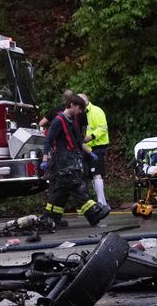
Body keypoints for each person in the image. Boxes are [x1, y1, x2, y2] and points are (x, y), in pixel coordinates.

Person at [39, 94, 110, 229]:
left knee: (61, 190)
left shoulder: (71, 121)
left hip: (71, 159)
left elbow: (78, 141)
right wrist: (44, 158)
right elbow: (48, 140)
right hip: (62, 161)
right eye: (79, 108)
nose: (80, 112)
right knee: (76, 185)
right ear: (72, 105)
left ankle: (52, 217)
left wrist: (90, 153)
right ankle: (93, 213)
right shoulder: (58, 121)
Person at [78, 92, 109, 209]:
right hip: (86, 147)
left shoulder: (97, 111)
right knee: (91, 175)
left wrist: (89, 137)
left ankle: (102, 202)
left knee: (97, 174)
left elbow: (102, 128)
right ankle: (99, 200)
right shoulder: (80, 113)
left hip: (98, 146)